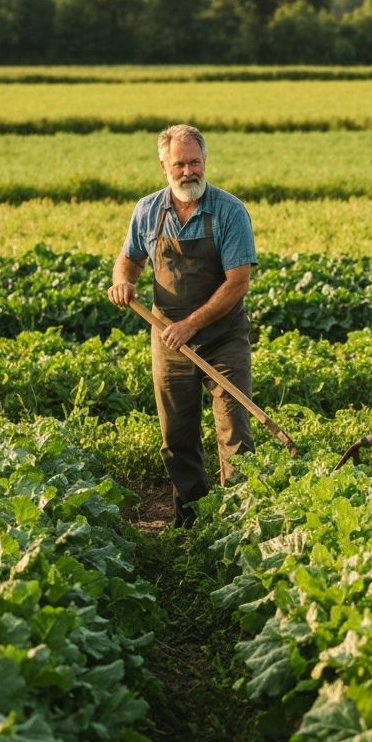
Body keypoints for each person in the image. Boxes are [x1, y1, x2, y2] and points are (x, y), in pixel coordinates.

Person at [107, 124, 258, 528]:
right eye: (179, 163)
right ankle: (190, 521)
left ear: (205, 161)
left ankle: (239, 522)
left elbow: (237, 283)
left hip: (223, 338)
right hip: (169, 338)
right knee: (177, 436)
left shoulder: (229, 212)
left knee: (235, 433)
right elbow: (130, 258)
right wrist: (124, 280)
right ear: (163, 166)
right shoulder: (147, 211)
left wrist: (191, 325)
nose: (188, 171)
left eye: (195, 162)